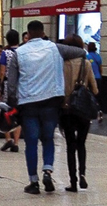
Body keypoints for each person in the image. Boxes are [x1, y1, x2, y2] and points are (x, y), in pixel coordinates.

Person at [7, 20, 85, 194]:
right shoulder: (55, 48)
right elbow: (80, 52)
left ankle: (33, 181)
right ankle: (48, 171)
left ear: (27, 35)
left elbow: (11, 84)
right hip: (51, 101)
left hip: (28, 103)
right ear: (43, 33)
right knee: (48, 138)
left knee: (31, 142)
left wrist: (12, 103)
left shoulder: (19, 53)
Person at [59, 35, 98, 192]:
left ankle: (73, 181)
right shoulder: (86, 64)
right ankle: (82, 174)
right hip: (83, 109)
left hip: (67, 109)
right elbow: (95, 89)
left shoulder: (62, 64)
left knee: (70, 145)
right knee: (81, 143)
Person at [0, 30, 22, 152]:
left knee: (4, 111)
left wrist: (0, 84)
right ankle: (16, 142)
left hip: (7, 85)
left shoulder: (5, 53)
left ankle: (8, 139)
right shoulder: (22, 51)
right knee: (17, 113)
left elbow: (2, 71)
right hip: (20, 85)